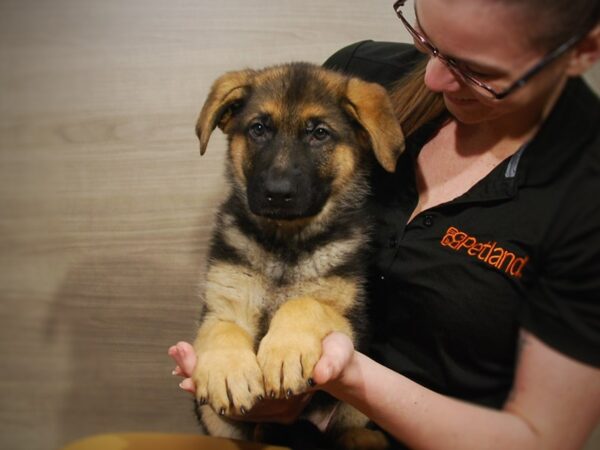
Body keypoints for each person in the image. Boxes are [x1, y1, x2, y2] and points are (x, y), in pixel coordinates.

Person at [169, 0, 600, 448]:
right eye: (427, 38)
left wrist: (346, 378)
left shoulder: (586, 195)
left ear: (584, 50)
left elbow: (538, 440)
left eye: (478, 71)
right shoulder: (361, 74)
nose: (431, 78)